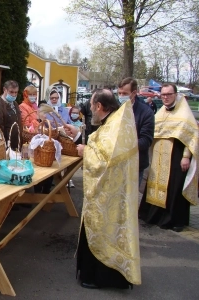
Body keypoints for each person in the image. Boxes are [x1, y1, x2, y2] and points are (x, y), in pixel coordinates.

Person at [65, 89, 141, 289]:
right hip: (112, 191)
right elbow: (101, 143)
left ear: (99, 106)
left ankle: (100, 277)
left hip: (108, 195)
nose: (91, 110)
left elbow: (102, 161)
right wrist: (80, 135)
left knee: (102, 230)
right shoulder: (115, 121)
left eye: (91, 106)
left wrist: (84, 151)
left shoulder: (115, 124)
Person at [139, 83, 198, 232]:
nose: (165, 97)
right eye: (163, 94)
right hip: (159, 156)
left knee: (174, 188)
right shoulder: (160, 113)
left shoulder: (185, 114)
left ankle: (176, 220)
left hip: (176, 156)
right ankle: (154, 216)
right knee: (155, 185)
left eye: (168, 94)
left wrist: (186, 156)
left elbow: (192, 137)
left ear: (176, 95)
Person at [118, 77, 154, 186]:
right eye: (119, 93)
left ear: (134, 93)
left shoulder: (146, 112)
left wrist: (124, 145)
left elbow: (146, 141)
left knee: (130, 201)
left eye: (124, 93)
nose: (121, 96)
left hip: (135, 165)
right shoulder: (115, 108)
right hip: (116, 163)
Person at [0, 80, 23, 150]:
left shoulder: (15, 103)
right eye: (11, 92)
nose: (14, 95)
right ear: (4, 90)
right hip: (6, 142)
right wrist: (3, 143)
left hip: (16, 141)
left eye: (16, 92)